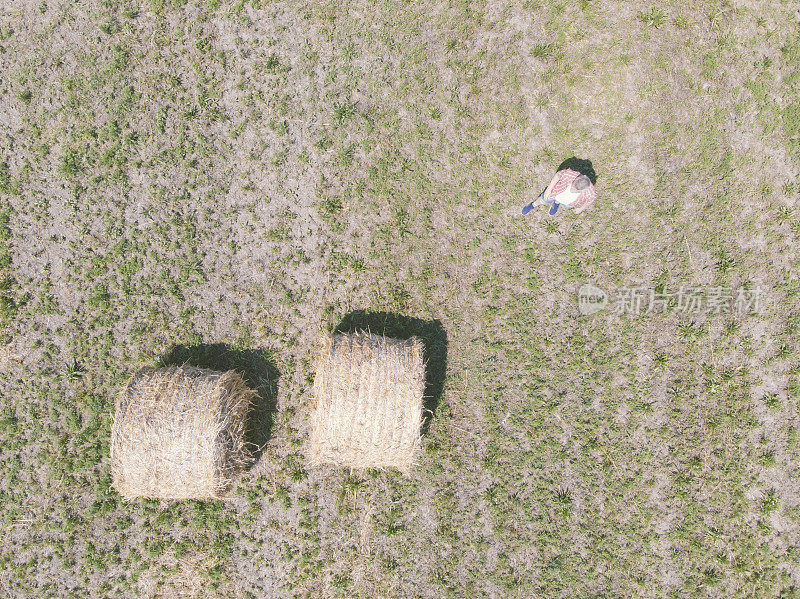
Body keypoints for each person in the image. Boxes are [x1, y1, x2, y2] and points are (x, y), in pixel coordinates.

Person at [522, 168, 597, 215]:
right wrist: (549, 189)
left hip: (568, 202)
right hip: (555, 193)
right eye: (573, 186)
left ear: (584, 190)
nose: (572, 190)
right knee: (543, 199)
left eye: (576, 190)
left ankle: (556, 203)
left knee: (564, 205)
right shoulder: (570, 174)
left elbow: (589, 201)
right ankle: (533, 205)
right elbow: (558, 175)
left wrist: (581, 209)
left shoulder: (590, 193)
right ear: (576, 179)